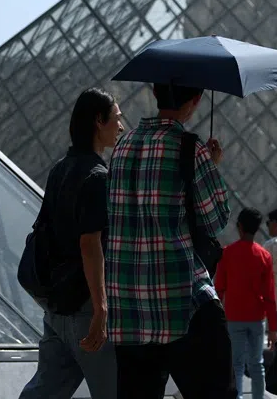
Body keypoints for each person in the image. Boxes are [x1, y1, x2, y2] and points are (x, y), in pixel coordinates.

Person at [107, 83, 236, 399]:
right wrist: (209, 165)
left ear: (154, 92)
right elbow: (215, 219)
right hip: (181, 300)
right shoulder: (188, 148)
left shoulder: (121, 147)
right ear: (195, 101)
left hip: (129, 307)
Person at [20, 88, 124, 399]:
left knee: (43, 391)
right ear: (98, 121)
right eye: (117, 118)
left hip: (57, 305)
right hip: (86, 308)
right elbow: (90, 244)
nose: (121, 126)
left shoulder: (59, 169)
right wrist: (101, 309)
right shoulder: (97, 177)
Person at [215, 208, 277, 399]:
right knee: (257, 364)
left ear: (240, 227)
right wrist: (274, 328)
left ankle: (238, 397)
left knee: (236, 364)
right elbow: (270, 295)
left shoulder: (227, 254)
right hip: (257, 317)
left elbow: (219, 288)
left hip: (233, 316)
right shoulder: (264, 255)